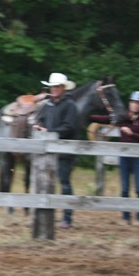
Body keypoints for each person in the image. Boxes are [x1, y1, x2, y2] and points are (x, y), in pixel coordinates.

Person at [91, 91, 139, 225]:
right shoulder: (122, 117)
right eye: (133, 102)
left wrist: (131, 134)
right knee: (124, 188)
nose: (135, 105)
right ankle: (126, 217)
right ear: (130, 103)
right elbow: (105, 119)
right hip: (124, 157)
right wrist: (88, 116)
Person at [32, 72, 79, 229]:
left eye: (57, 86)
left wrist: (50, 131)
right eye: (52, 87)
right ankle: (43, 216)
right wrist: (39, 126)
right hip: (48, 152)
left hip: (65, 152)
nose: (54, 89)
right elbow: (41, 119)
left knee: (64, 183)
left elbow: (69, 127)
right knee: (45, 183)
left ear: (63, 88)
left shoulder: (70, 105)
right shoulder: (48, 105)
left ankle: (67, 218)